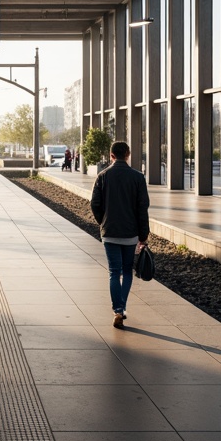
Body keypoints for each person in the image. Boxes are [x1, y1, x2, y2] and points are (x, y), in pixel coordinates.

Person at [90, 141, 149, 329]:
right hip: (130, 233)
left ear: (111, 155)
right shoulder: (138, 178)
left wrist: (103, 222)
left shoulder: (103, 176)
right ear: (128, 154)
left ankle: (117, 310)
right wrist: (143, 234)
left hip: (110, 232)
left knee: (113, 272)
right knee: (126, 271)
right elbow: (142, 208)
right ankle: (121, 308)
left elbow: (95, 204)